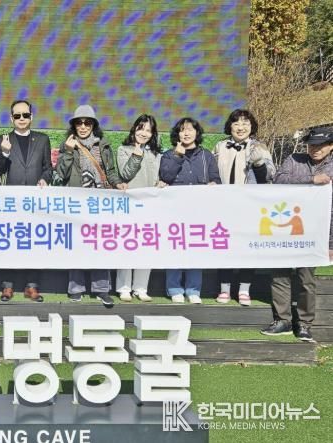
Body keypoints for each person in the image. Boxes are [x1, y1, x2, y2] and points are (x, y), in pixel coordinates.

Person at [260, 126, 333, 342]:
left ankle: (304, 323)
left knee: (306, 279)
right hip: (283, 227)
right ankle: (282, 320)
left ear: (331, 146)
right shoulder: (293, 159)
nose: (315, 149)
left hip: (314, 232)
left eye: (321, 145)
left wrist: (330, 242)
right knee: (279, 274)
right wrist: (311, 180)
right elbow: (279, 181)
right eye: (311, 145)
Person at [56, 104, 126, 308]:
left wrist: (118, 183)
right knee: (77, 244)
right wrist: (68, 151)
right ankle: (76, 289)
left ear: (93, 125)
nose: (83, 126)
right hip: (77, 203)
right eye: (79, 123)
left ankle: (102, 289)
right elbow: (60, 174)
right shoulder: (67, 144)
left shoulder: (103, 145)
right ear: (74, 125)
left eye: (87, 123)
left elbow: (110, 171)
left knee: (100, 244)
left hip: (99, 203)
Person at [214, 109, 275, 306]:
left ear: (251, 127)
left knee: (248, 247)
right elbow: (213, 172)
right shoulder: (220, 146)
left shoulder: (259, 147)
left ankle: (244, 290)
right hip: (224, 205)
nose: (241, 127)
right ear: (230, 126)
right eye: (236, 123)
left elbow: (269, 178)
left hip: (249, 207)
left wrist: (259, 164)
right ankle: (224, 289)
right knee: (224, 245)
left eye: (245, 124)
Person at [0, 99, 52, 303]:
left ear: (31, 117)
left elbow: (48, 168)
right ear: (11, 118)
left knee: (34, 243)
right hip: (11, 202)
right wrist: (5, 152)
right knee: (9, 243)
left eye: (25, 115)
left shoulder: (42, 139)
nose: (21, 118)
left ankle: (32, 287)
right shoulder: (2, 139)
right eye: (17, 115)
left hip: (36, 202)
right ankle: (7, 286)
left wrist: (45, 179)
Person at [159, 117, 221, 304]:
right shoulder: (168, 155)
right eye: (182, 130)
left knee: (196, 249)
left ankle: (193, 290)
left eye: (190, 129)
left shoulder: (206, 156)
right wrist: (177, 156)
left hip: (199, 212)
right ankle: (174, 289)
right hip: (174, 212)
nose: (186, 133)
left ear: (197, 133)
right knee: (175, 248)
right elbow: (165, 177)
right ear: (177, 134)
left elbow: (216, 179)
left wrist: (214, 184)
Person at [116, 114, 162, 303]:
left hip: (150, 207)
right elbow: (125, 174)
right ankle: (124, 288)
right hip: (129, 206)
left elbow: (159, 176)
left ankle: (141, 288)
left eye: (148, 130)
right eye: (141, 128)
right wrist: (136, 154)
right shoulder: (123, 150)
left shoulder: (156, 154)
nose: (144, 133)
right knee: (127, 245)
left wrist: (161, 182)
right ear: (134, 129)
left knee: (146, 247)